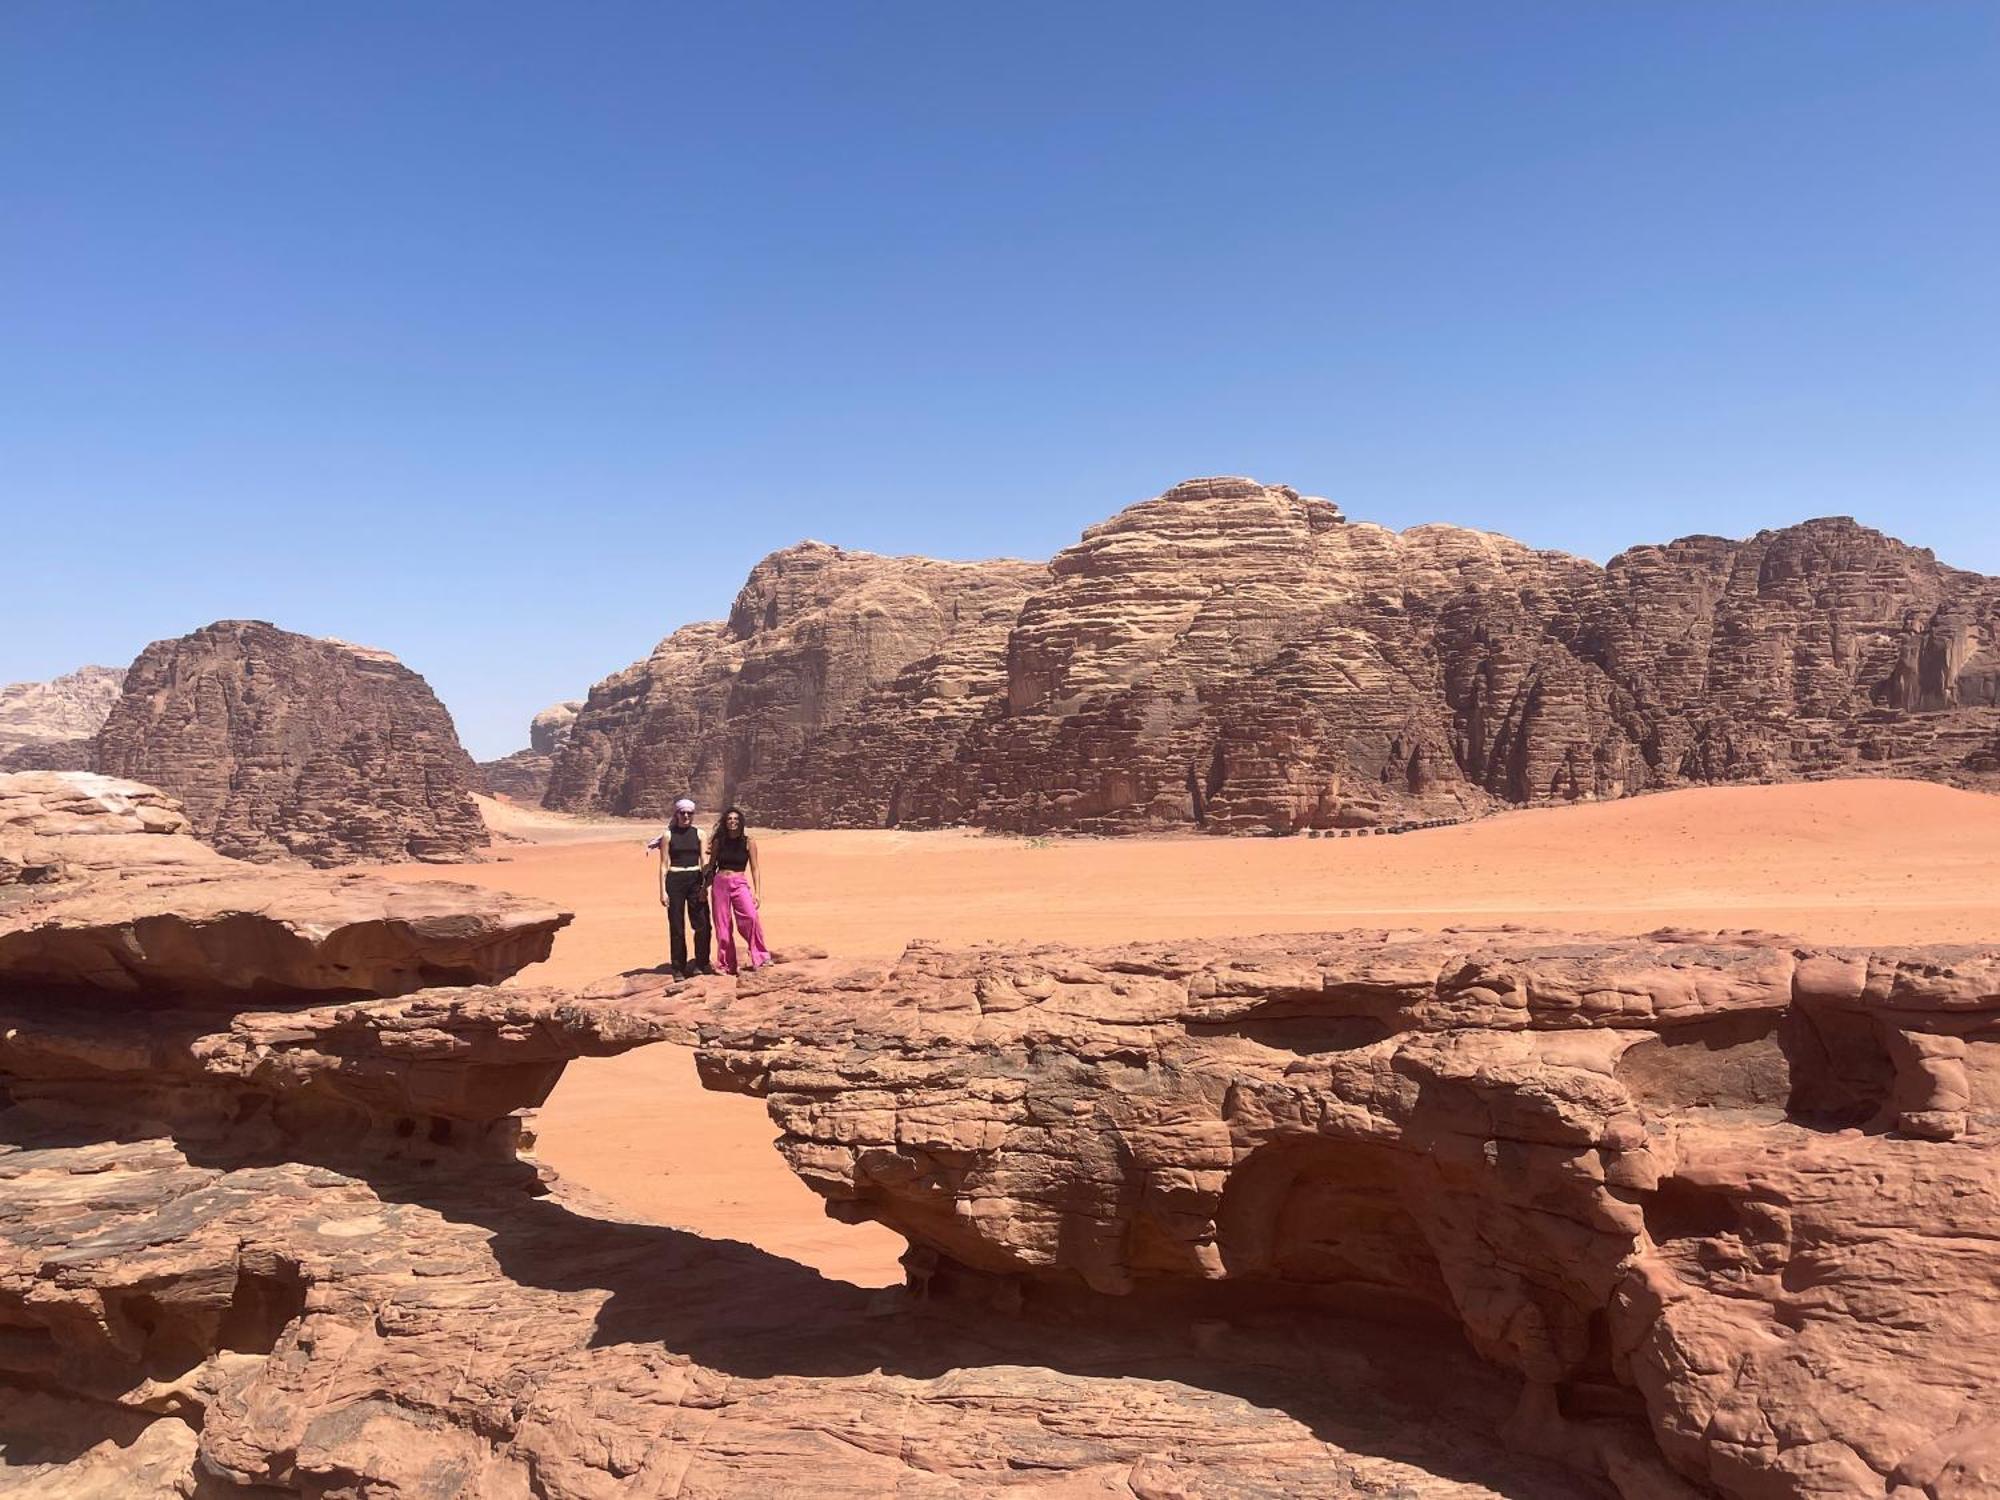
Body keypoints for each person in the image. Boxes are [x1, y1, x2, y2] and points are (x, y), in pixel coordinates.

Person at [705, 805, 769, 975]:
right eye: (729, 819)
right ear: (725, 822)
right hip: (720, 884)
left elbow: (755, 868)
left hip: (739, 882)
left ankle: (761, 956)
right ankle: (726, 965)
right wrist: (703, 888)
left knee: (751, 917)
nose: (732, 822)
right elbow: (711, 867)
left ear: (741, 822)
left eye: (736, 819)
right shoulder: (719, 841)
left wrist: (757, 893)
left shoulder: (749, 842)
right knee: (723, 927)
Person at [652, 797, 712, 978]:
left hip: (695, 878)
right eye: (682, 813)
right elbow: (663, 864)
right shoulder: (668, 835)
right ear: (676, 814)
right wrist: (662, 891)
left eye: (689, 813)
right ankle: (678, 967)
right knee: (677, 926)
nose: (686, 816)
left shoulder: (700, 834)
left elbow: (704, 861)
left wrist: (705, 884)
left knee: (703, 924)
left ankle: (701, 962)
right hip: (675, 880)